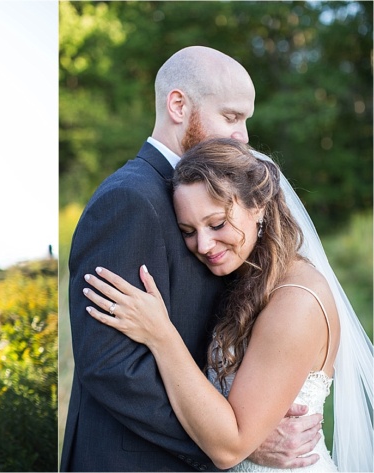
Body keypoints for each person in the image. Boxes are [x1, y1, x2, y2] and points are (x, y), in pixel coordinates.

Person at [61, 46, 325, 471]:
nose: (242, 136)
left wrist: (239, 429)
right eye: (232, 117)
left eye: (245, 121)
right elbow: (110, 364)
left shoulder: (200, 193)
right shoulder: (131, 199)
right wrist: (238, 439)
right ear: (179, 105)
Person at [83, 138, 374, 471]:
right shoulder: (253, 280)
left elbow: (229, 447)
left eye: (217, 224)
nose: (203, 244)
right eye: (187, 231)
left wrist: (160, 334)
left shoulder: (296, 301)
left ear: (258, 206)